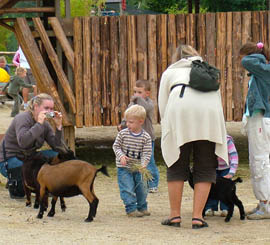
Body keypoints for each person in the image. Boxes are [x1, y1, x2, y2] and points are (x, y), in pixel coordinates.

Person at [158, 44, 228, 229]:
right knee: (205, 165)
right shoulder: (209, 71)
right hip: (209, 117)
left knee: (176, 163)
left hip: (180, 112)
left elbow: (163, 106)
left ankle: (175, 216)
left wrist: (169, 130)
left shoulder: (171, 71)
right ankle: (198, 217)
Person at [0, 93, 63, 198]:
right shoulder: (22, 118)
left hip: (28, 157)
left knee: (58, 156)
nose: (49, 111)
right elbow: (24, 142)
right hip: (9, 160)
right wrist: (39, 124)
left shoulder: (45, 124)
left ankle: (45, 185)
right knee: (22, 185)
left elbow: (58, 146)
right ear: (36, 107)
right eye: (46, 108)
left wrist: (59, 127)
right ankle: (16, 181)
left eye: (51, 108)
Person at [239, 42, 270, 220]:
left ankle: (265, 204)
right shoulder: (261, 70)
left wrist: (256, 52)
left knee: (260, 161)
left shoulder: (262, 68)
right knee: (260, 160)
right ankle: (263, 202)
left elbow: (247, 62)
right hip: (260, 119)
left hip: (261, 119)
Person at [118, 79, 159, 193]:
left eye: (139, 92)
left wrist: (137, 99)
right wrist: (122, 125)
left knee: (149, 161)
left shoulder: (149, 104)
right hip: (134, 138)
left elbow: (144, 109)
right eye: (135, 92)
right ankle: (138, 182)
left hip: (147, 138)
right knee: (136, 161)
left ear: (147, 93)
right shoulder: (133, 103)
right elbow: (128, 116)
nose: (136, 95)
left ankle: (153, 183)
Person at [113, 104, 152, 217]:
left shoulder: (146, 137)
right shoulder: (122, 134)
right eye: (126, 122)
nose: (127, 124)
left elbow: (147, 152)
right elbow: (116, 147)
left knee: (142, 188)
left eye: (131, 122)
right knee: (127, 187)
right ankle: (131, 208)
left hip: (139, 168)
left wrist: (144, 164)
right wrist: (121, 156)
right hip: (124, 168)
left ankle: (142, 206)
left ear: (140, 121)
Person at [204, 135, 239, 217]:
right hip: (212, 168)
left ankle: (226, 208)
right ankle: (210, 207)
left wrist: (231, 172)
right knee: (211, 188)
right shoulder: (208, 140)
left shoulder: (227, 141)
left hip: (226, 168)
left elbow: (234, 156)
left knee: (225, 190)